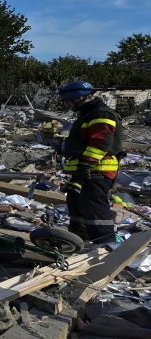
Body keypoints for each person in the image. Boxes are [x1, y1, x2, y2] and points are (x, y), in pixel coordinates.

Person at [59, 81, 123, 243]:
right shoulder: (89, 114)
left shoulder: (100, 114)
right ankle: (79, 244)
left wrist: (85, 165)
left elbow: (101, 142)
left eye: (68, 100)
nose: (68, 104)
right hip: (85, 172)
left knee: (94, 212)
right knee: (77, 208)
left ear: (80, 97)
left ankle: (105, 250)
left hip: (96, 171)